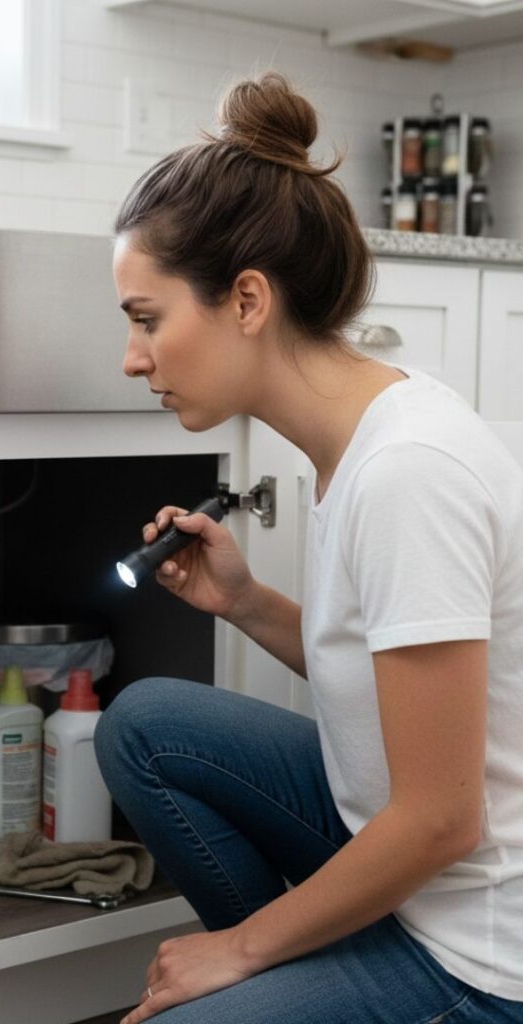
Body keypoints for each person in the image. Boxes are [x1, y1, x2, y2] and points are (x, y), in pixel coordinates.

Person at [95, 72, 523, 1024]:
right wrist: (245, 603)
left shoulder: (409, 470)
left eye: (146, 319)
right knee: (146, 725)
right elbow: (394, 682)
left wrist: (233, 948)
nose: (133, 357)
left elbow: (444, 818)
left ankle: (297, 974)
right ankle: (306, 975)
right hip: (415, 870)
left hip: (479, 953)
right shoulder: (357, 437)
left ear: (247, 300)